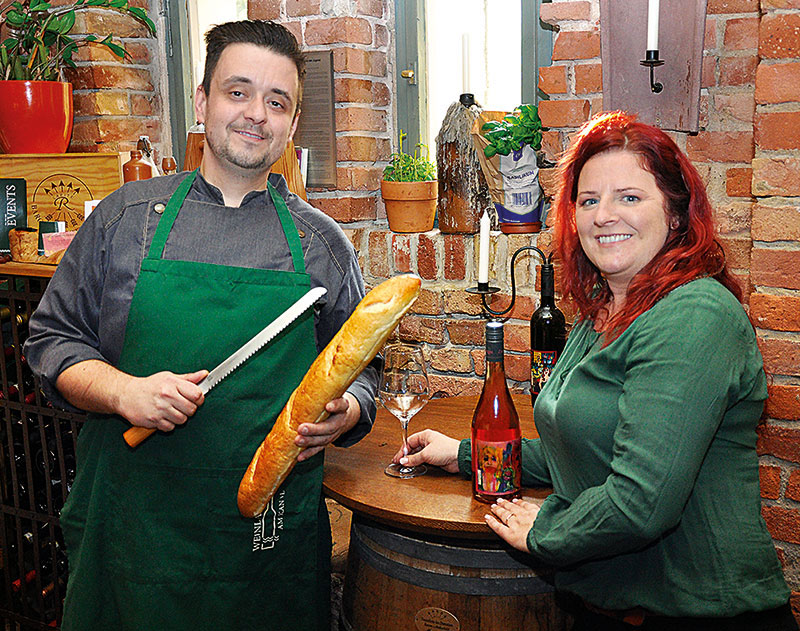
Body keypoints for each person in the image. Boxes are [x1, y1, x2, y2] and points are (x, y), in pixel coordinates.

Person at [24, 20, 378, 631]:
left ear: (292, 124)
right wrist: (125, 392)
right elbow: (52, 341)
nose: (256, 115)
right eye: (238, 92)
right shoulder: (125, 220)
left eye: (277, 102)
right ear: (203, 101)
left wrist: (348, 410)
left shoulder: (322, 245)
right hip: (136, 538)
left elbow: (364, 366)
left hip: (266, 541)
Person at [397, 111, 797, 631]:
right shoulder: (602, 310)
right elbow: (585, 449)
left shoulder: (695, 314)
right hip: (604, 609)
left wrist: (547, 530)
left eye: (629, 197)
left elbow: (641, 502)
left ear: (676, 214)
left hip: (700, 616)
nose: (604, 215)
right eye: (588, 200)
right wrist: (469, 455)